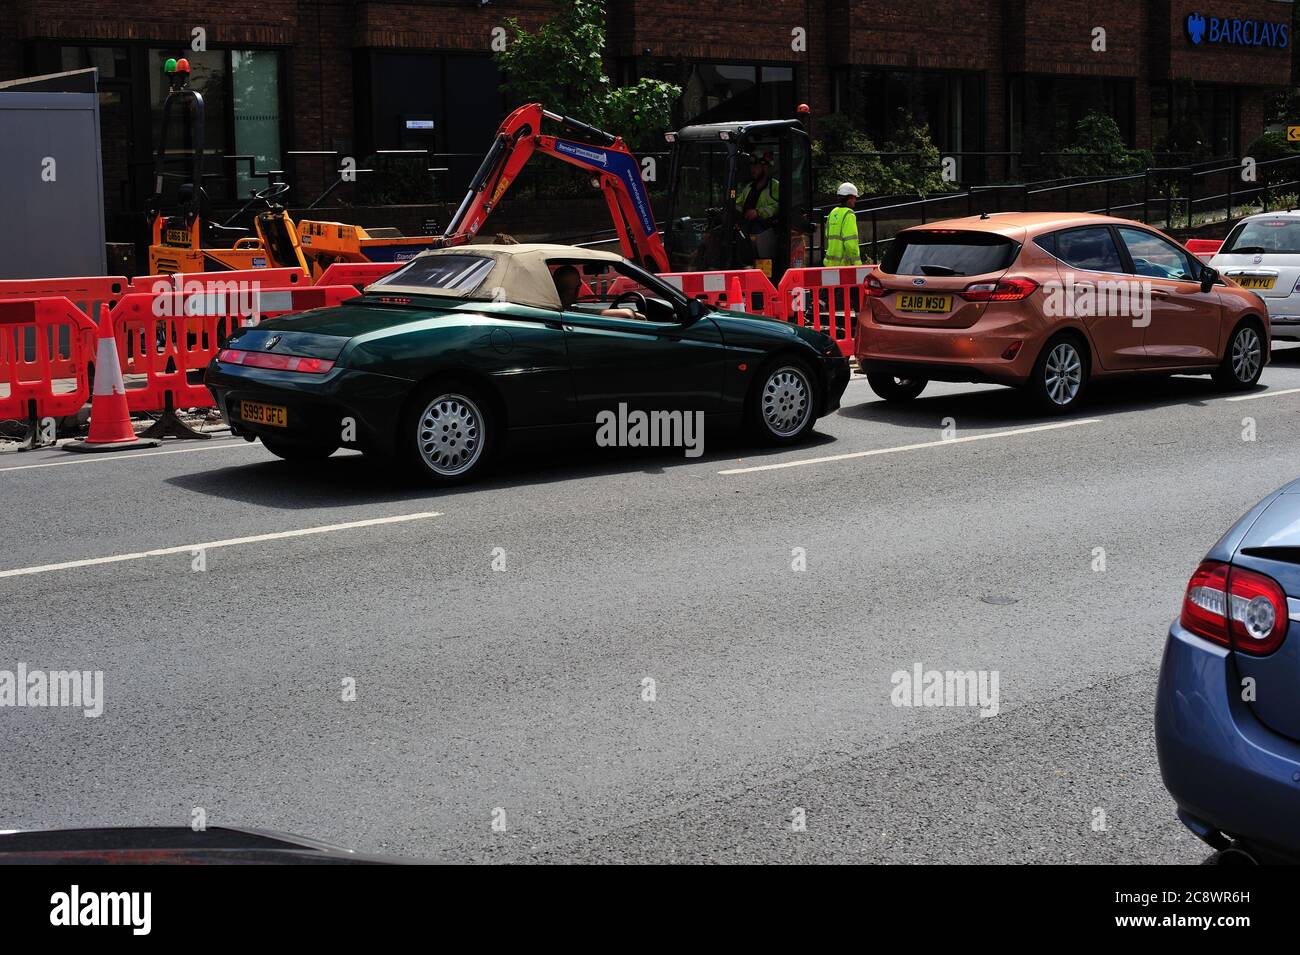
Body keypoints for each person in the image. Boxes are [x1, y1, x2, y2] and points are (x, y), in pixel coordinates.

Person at [735, 152, 781, 265]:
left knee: (755, 237)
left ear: (765, 168)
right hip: (746, 225)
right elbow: (739, 203)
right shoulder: (749, 187)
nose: (752, 169)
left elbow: (778, 206)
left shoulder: (775, 186)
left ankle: (762, 269)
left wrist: (758, 212)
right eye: (751, 166)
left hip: (765, 227)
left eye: (756, 166)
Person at [552, 265, 638, 319]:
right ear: (577, 288)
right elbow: (627, 314)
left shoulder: (551, 309)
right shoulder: (569, 312)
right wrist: (636, 314)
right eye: (578, 285)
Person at [824, 182, 861, 267]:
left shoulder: (833, 212)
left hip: (829, 263)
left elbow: (827, 234)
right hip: (843, 265)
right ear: (849, 198)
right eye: (854, 197)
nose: (855, 200)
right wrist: (857, 264)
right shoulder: (849, 214)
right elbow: (851, 243)